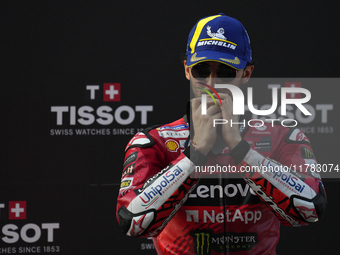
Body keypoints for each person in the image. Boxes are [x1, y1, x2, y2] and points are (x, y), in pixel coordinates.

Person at [116, 13, 327, 255]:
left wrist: (241, 150)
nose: (211, 82)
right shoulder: (154, 142)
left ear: (246, 73)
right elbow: (132, 222)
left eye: (225, 72)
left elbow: (310, 209)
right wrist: (194, 155)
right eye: (201, 70)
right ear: (186, 69)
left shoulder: (284, 135)